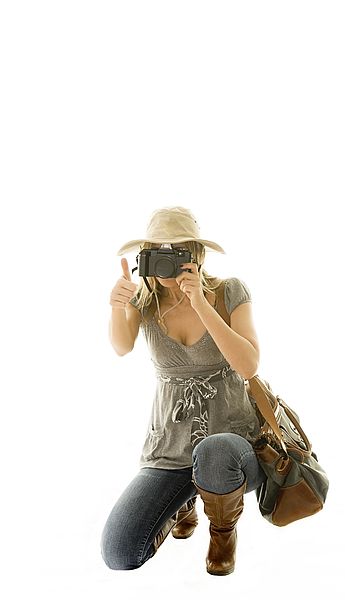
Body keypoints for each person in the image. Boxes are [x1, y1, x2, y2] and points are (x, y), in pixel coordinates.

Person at [100, 206, 266, 576]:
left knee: (214, 450)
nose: (165, 264)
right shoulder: (145, 302)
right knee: (119, 552)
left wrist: (200, 304)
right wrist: (117, 307)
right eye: (157, 252)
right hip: (170, 448)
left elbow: (249, 365)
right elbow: (121, 346)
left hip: (232, 444)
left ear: (194, 255)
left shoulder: (228, 292)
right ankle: (184, 501)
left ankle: (223, 534)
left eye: (174, 253)